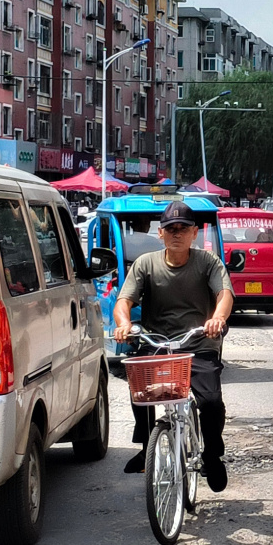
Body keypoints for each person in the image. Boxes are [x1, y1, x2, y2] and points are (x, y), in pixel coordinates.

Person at [114, 201, 236, 491]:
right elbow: (124, 301)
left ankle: (213, 454)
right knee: (140, 392)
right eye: (170, 229)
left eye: (183, 229)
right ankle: (147, 445)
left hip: (199, 344)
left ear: (194, 233)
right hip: (158, 344)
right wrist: (123, 323)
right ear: (161, 234)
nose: (176, 234)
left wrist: (217, 318)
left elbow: (225, 293)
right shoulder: (146, 264)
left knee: (210, 403)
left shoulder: (208, 262)